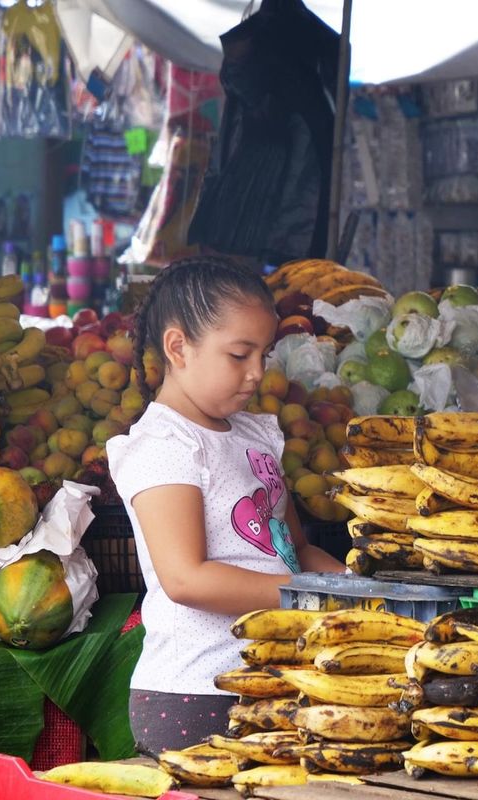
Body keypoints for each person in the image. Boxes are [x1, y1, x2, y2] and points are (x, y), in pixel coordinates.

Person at [106, 256, 344, 755]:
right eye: (239, 355)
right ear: (178, 348)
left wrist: (356, 588)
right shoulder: (165, 445)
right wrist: (304, 594)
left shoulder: (256, 436)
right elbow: (185, 578)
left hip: (278, 676)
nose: (257, 373)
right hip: (200, 689)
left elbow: (294, 549)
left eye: (264, 354)